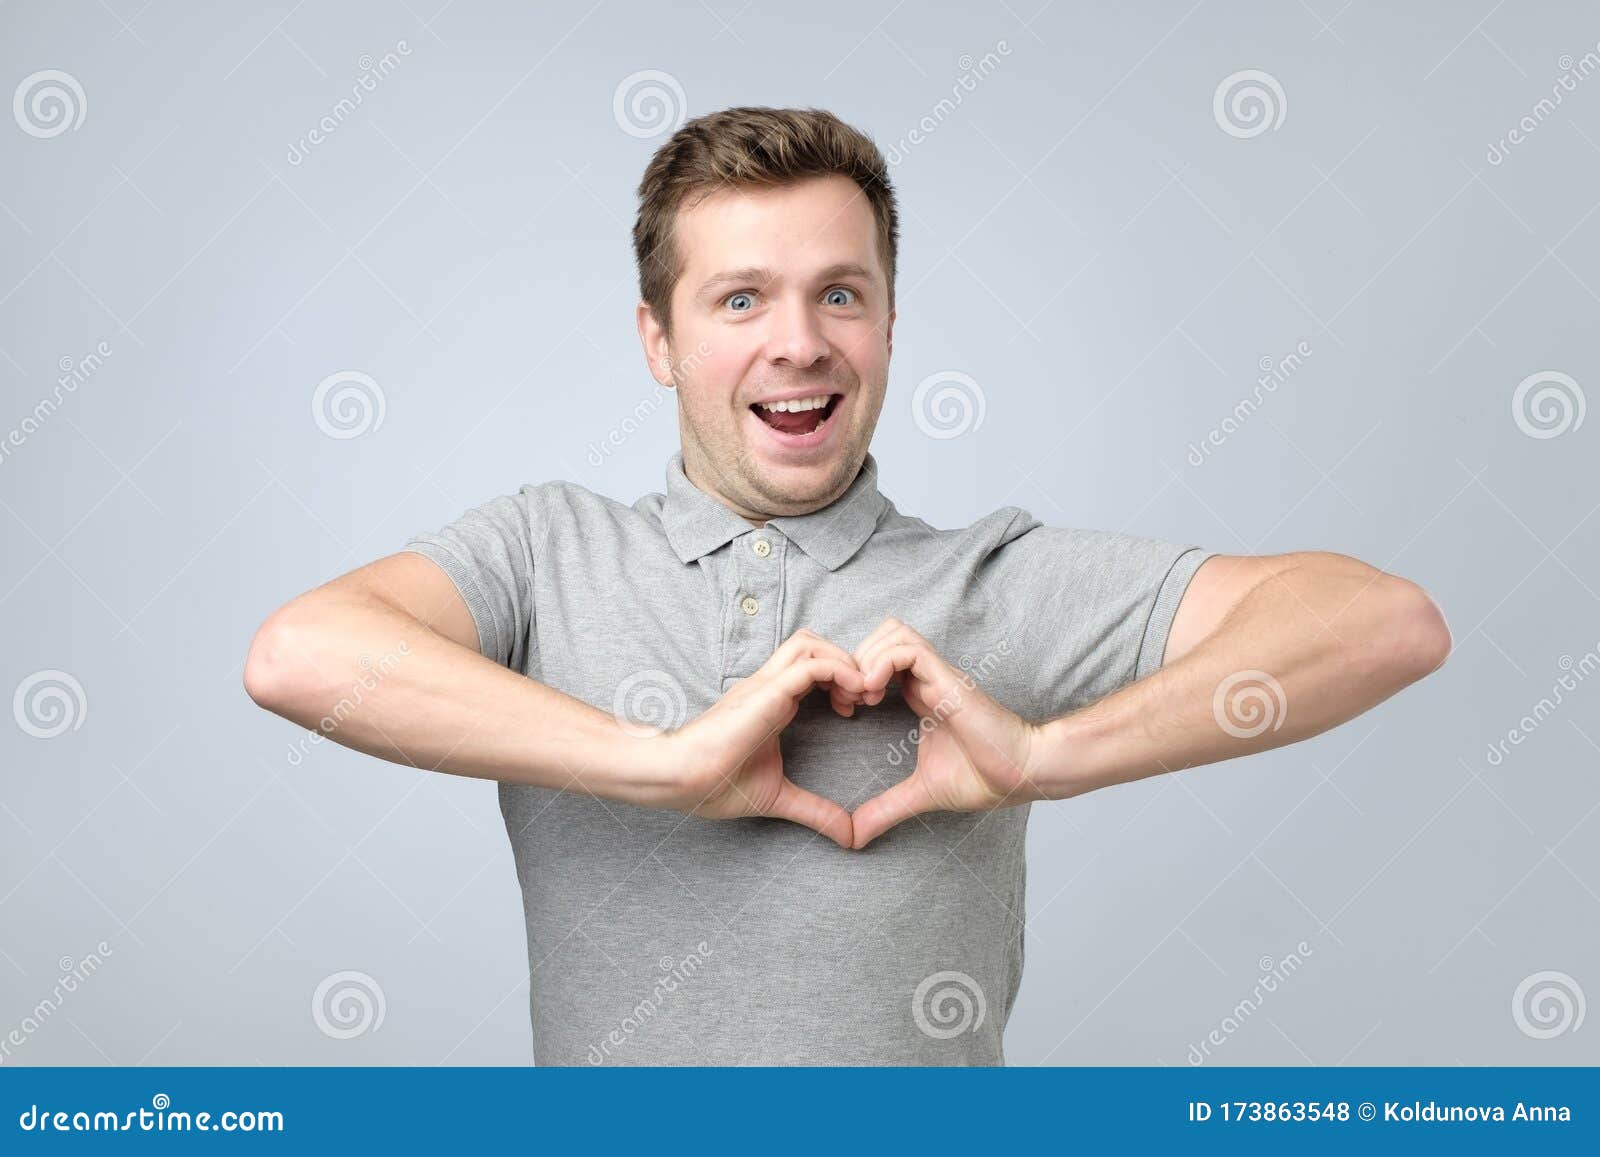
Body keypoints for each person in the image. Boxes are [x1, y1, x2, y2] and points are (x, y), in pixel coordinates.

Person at [244, 106, 1451, 1065]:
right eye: (739, 297)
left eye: (839, 292)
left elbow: (1382, 623)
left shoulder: (993, 577)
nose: (800, 341)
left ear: (884, 322)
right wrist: (665, 762)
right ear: (657, 341)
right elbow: (299, 655)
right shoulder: (543, 552)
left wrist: (1042, 756)